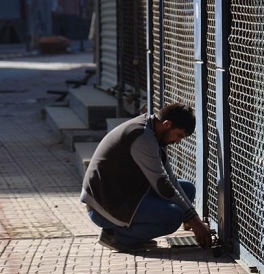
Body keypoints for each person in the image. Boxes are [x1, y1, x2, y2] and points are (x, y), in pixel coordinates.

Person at [80, 103, 212, 252]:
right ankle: (116, 236)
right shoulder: (142, 136)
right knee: (173, 217)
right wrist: (195, 222)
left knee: (188, 188)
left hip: (126, 195)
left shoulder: (153, 131)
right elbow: (162, 185)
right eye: (179, 135)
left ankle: (129, 233)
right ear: (167, 124)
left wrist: (192, 218)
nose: (177, 142)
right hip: (104, 206)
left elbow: (171, 181)